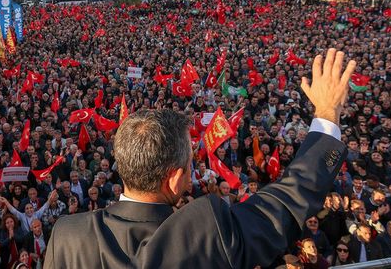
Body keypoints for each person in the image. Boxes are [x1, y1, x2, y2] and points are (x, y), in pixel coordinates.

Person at [45, 49, 355, 268]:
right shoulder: (209, 231)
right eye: (191, 164)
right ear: (175, 178)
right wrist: (327, 113)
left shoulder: (67, 235)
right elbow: (289, 201)